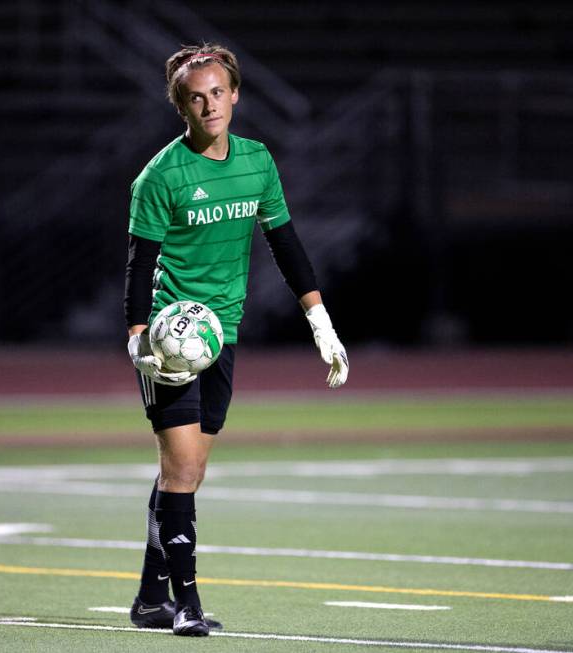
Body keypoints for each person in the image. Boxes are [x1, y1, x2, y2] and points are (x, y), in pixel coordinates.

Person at [124, 43, 349, 637]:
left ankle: (151, 598)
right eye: (195, 97)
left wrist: (319, 322)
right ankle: (187, 604)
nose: (209, 105)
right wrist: (138, 339)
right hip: (171, 340)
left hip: (220, 337)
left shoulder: (258, 162)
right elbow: (138, 263)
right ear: (181, 106)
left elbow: (286, 244)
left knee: (188, 471)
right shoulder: (160, 176)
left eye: (218, 92)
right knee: (180, 472)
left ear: (235, 95)